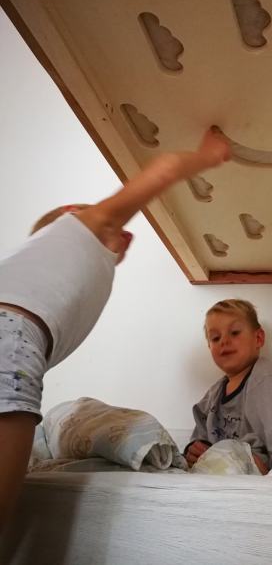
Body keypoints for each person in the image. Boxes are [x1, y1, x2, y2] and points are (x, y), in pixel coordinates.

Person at [0, 127, 231, 526]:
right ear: (71, 213)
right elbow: (163, 170)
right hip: (13, 342)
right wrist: (209, 155)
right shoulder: (78, 227)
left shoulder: (43, 270)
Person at [185, 299, 272, 474]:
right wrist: (194, 450)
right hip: (215, 470)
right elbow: (200, 434)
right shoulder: (214, 393)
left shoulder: (266, 380)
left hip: (252, 468)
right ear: (209, 346)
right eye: (215, 338)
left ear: (258, 338)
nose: (224, 341)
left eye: (234, 333)